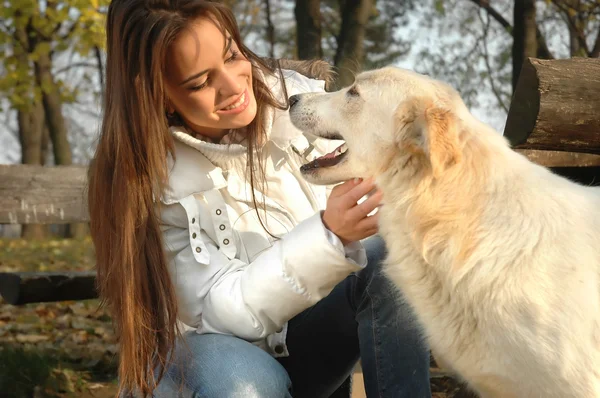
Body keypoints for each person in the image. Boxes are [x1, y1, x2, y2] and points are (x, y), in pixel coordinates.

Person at [87, 0, 431, 397]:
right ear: (159, 95)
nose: (234, 86)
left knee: (392, 258)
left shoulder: (302, 112)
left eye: (233, 55)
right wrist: (329, 236)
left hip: (310, 345)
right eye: (200, 82)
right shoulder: (146, 183)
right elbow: (218, 312)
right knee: (243, 384)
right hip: (216, 358)